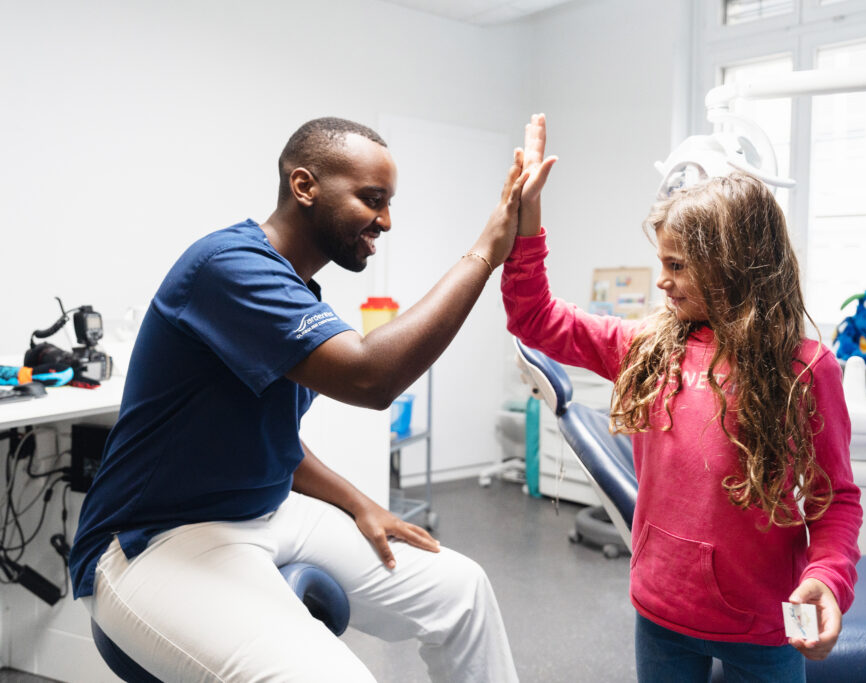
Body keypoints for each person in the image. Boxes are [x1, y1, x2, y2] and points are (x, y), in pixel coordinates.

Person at [69, 117, 528, 682]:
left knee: (462, 591)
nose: (385, 220)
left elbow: (270, 436)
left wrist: (359, 502)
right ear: (305, 186)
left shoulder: (295, 286)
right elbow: (369, 378)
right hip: (155, 539)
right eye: (372, 199)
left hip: (265, 512)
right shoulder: (229, 267)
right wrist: (485, 251)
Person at [503, 114, 862, 682]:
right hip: (662, 612)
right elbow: (534, 318)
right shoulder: (647, 345)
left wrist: (828, 577)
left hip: (764, 623)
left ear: (732, 266)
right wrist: (526, 227)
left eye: (676, 266)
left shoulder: (805, 369)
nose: (662, 282)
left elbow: (834, 500)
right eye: (661, 264)